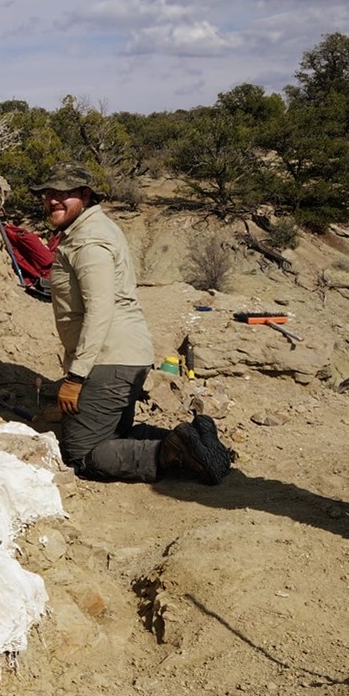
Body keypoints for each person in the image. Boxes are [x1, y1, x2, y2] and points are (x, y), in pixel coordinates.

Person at [33, 163, 231, 485]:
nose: (52, 201)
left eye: (61, 194)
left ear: (84, 195)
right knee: (118, 433)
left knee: (82, 451)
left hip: (109, 358)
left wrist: (76, 375)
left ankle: (178, 453)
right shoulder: (96, 228)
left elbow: (100, 308)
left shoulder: (88, 241)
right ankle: (196, 441)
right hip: (126, 355)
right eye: (47, 194)